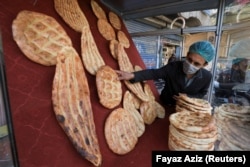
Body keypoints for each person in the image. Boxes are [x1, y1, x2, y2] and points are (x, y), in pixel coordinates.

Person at [116, 40, 215, 106]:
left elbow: (202, 93)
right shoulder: (174, 66)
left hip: (185, 111)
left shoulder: (207, 77)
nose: (191, 64)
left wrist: (188, 97)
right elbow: (154, 73)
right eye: (189, 59)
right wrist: (133, 75)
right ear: (187, 54)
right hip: (165, 104)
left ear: (204, 65)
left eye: (196, 64)